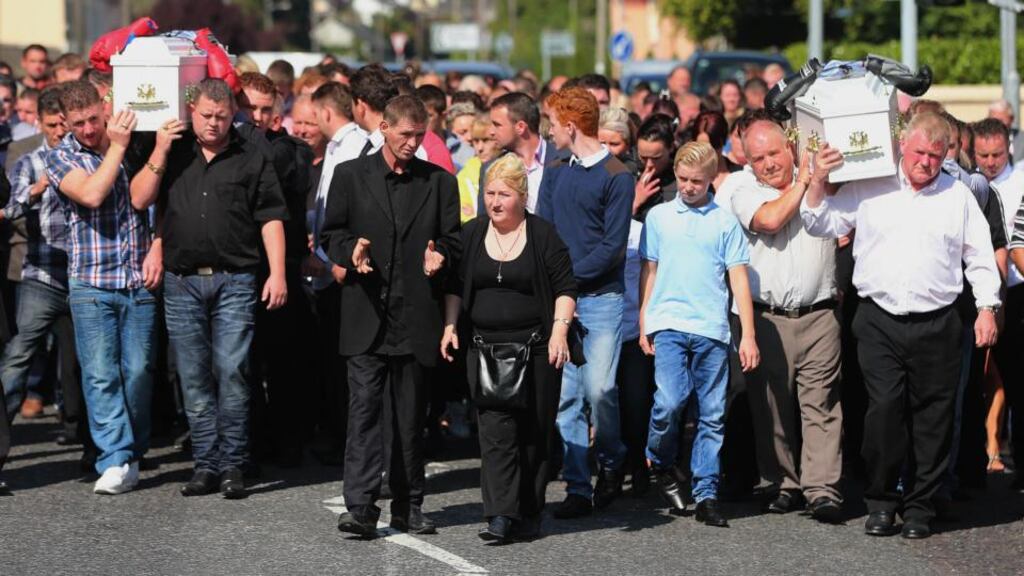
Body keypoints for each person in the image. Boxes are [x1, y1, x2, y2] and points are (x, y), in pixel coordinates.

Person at [801, 112, 1001, 539]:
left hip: (939, 322)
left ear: (947, 155)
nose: (925, 162)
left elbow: (980, 256)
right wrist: (817, 180)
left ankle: (920, 507)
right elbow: (821, 221)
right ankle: (881, 501)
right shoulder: (870, 184)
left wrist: (986, 308)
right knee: (885, 412)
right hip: (879, 320)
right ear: (902, 146)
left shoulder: (958, 196)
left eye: (935, 155)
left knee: (934, 419)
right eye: (919, 152)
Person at [130, 78, 289, 499]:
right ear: (191, 110)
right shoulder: (175, 150)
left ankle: (234, 464)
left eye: (222, 116)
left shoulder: (252, 156)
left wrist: (277, 273)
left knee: (233, 373)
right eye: (206, 116)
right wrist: (161, 150)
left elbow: (270, 217)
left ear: (232, 113)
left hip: (235, 278)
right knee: (194, 378)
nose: (214, 124)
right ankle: (206, 463)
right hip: (182, 281)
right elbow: (140, 199)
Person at [322, 95, 461, 537]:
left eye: (419, 136)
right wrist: (351, 252)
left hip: (416, 316)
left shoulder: (439, 182)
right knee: (363, 413)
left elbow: (454, 240)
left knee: (410, 417)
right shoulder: (350, 175)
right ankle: (361, 507)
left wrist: (440, 257)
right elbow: (332, 234)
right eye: (405, 134)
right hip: (367, 313)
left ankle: (408, 504)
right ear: (384, 127)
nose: (412, 143)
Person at [441, 153, 577, 543]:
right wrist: (451, 325)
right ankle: (500, 514)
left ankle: (529, 511)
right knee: (495, 433)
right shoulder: (472, 234)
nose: (495, 202)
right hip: (485, 350)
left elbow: (566, 287)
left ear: (522, 196)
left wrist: (559, 332)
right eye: (489, 193)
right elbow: (454, 284)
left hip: (536, 350)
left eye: (503, 194)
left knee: (534, 433)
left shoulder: (544, 235)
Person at [720, 119, 844, 523]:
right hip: (767, 318)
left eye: (774, 153)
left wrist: (815, 177)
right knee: (771, 408)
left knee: (821, 404)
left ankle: (822, 488)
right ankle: (784, 483)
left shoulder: (818, 177)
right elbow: (770, 220)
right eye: (758, 158)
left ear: (791, 146)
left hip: (819, 312)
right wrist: (805, 183)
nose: (769, 164)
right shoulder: (741, 189)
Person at [46, 80, 159, 495]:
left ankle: (132, 450)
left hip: (137, 279)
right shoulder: (59, 157)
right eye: (78, 123)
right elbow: (93, 194)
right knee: (99, 375)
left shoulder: (133, 141)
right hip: (91, 281)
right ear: (65, 123)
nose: (89, 129)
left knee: (141, 372)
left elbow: (157, 198)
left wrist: (159, 246)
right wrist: (116, 147)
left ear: (103, 107)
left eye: (94, 119)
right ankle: (113, 457)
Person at [639, 141, 758, 527]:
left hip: (712, 327)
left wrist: (749, 334)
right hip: (669, 322)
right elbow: (650, 270)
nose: (688, 187)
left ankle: (706, 493)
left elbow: (738, 278)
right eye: (682, 179)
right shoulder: (658, 217)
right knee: (670, 402)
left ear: (712, 180)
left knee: (712, 415)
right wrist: (645, 318)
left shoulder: (724, 222)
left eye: (697, 181)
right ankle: (660, 459)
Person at [537, 86, 634, 518]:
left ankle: (612, 460)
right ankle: (578, 486)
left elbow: (612, 248)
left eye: (553, 124)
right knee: (567, 398)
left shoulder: (617, 175)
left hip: (601, 299)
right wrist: (555, 286)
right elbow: (545, 231)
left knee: (601, 389)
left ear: (571, 126)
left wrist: (566, 279)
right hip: (563, 300)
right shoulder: (556, 170)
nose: (549, 131)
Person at [2, 85, 89, 455]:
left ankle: (93, 446)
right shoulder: (29, 162)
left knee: (85, 365)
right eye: (52, 125)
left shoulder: (85, 159)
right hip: (40, 276)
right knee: (19, 356)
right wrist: (36, 192)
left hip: (82, 275)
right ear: (39, 123)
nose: (58, 132)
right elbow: (13, 210)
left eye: (63, 125)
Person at [306, 80, 368, 465]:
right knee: (330, 359)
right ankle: (337, 435)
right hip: (326, 266)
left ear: (327, 112)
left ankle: (350, 439)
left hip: (344, 267)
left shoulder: (357, 146)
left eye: (314, 115)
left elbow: (353, 211)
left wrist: (337, 260)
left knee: (346, 363)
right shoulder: (333, 147)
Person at [974, 117, 1024, 491]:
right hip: (982, 295)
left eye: (996, 154)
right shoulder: (969, 185)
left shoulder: (1019, 182)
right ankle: (984, 450)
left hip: (1015, 290)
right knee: (986, 376)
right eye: (983, 155)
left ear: (1007, 148)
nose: (990, 162)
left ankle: (1008, 454)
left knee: (1012, 380)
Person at [478, 92, 560, 216]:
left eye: (497, 125)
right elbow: (483, 221)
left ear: (520, 127)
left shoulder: (564, 161)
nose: (491, 132)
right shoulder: (490, 168)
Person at [456, 115, 500, 222]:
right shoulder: (464, 175)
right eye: (476, 141)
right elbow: (460, 213)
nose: (479, 148)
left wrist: (473, 212)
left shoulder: (514, 166)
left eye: (486, 140)